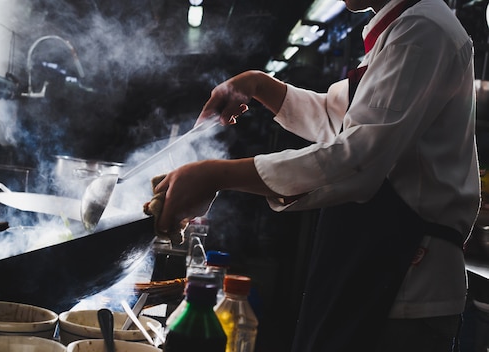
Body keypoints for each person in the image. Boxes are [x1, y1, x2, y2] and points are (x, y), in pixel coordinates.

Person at [149, 0, 481, 351]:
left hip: (406, 282)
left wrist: (215, 176)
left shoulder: (422, 30)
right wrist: (259, 85)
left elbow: (358, 158)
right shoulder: (405, 28)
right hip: (375, 268)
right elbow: (340, 118)